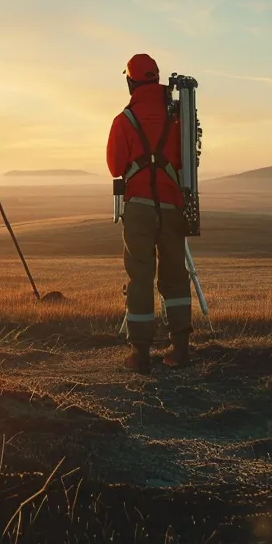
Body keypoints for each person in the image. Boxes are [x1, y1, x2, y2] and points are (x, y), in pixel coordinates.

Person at [106, 53, 193, 375]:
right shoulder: (178, 118)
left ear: (130, 82)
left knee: (140, 276)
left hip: (139, 206)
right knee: (175, 275)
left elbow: (116, 167)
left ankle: (140, 355)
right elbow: (187, 162)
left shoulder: (124, 120)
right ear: (156, 81)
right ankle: (180, 349)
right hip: (172, 205)